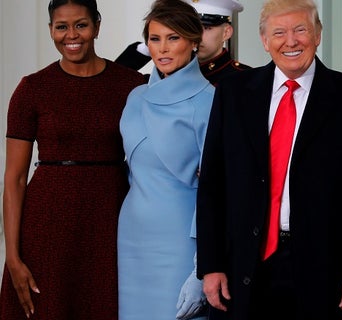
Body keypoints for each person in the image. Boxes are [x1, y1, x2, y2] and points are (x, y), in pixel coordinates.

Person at [195, 0, 342, 319]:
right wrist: (210, 266)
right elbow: (213, 183)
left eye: (301, 30)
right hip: (245, 266)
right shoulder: (233, 91)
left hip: (328, 271)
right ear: (265, 41)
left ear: (318, 34)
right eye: (279, 32)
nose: (291, 41)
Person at [0, 0, 146, 319]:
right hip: (47, 224)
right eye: (61, 26)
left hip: (111, 218)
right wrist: (12, 255)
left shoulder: (133, 86)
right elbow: (14, 178)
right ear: (51, 30)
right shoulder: (31, 89)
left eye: (80, 24)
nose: (71, 35)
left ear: (96, 25)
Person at [116, 0, 214, 319]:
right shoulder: (135, 97)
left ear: (194, 41)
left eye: (173, 38)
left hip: (181, 239)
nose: (163, 48)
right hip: (132, 235)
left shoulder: (210, 100)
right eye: (155, 39)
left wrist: (203, 268)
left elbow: (215, 188)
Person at [115, 0, 250, 86]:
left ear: (226, 32)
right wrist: (146, 48)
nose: (197, 35)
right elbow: (114, 80)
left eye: (206, 28)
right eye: (185, 30)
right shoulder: (166, 73)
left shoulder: (244, 78)